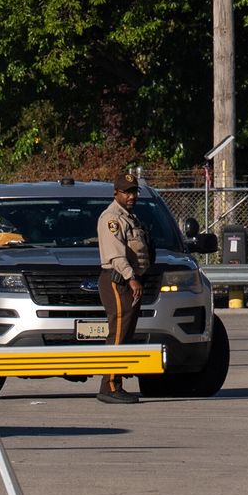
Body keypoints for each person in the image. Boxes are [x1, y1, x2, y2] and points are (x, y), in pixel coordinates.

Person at [94, 172, 151, 404]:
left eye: (134, 191)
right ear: (115, 193)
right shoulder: (111, 218)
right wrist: (131, 278)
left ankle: (114, 383)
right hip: (118, 280)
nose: (131, 196)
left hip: (130, 280)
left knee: (125, 333)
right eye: (126, 192)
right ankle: (110, 386)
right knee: (117, 333)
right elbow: (115, 255)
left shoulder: (131, 217)